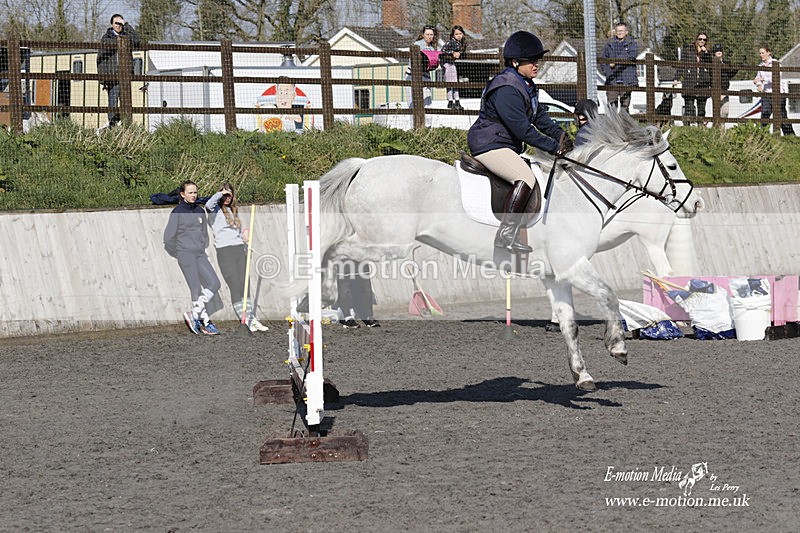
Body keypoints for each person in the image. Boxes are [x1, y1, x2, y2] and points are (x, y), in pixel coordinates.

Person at [467, 31, 569, 254]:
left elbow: (539, 117)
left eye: (537, 60)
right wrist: (553, 147)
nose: (536, 64)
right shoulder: (506, 88)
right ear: (515, 62)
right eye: (531, 60)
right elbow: (523, 130)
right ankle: (505, 235)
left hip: (502, 144)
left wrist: (561, 136)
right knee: (524, 176)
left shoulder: (526, 85)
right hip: (489, 144)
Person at [205, 183, 269, 333]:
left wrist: (244, 237)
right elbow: (208, 204)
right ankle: (246, 320)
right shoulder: (214, 210)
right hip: (225, 251)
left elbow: (237, 233)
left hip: (239, 249)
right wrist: (221, 193)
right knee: (235, 286)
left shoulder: (233, 211)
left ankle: (252, 318)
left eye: (229, 195)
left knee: (245, 285)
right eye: (224, 195)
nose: (227, 198)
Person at [163, 180, 222, 335]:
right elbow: (168, 238)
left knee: (214, 283)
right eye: (190, 192)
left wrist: (201, 245)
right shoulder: (177, 212)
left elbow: (203, 233)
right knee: (195, 287)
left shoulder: (200, 211)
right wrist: (179, 253)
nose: (194, 195)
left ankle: (194, 314)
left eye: (195, 192)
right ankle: (205, 323)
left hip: (199, 253)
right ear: (182, 194)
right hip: (185, 254)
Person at [97, 14, 141, 128]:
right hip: (113, 76)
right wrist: (103, 78)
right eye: (116, 23)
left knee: (126, 102)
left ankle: (126, 125)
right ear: (112, 24)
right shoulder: (106, 38)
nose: (119, 25)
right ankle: (112, 125)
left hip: (125, 76)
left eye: (120, 23)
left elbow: (137, 41)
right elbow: (100, 59)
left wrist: (127, 25)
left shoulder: (127, 37)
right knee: (113, 102)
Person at [754, 46, 795, 136]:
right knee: (765, 114)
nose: (761, 55)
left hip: (778, 94)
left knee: (781, 116)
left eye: (763, 53)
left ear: (769, 53)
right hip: (766, 94)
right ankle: (763, 135)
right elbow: (757, 78)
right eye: (760, 53)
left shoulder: (776, 63)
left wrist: (762, 79)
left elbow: (775, 78)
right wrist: (759, 84)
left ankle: (790, 136)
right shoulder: (760, 66)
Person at [601, 22, 638, 113]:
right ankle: (612, 127)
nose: (620, 33)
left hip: (627, 81)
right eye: (618, 31)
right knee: (611, 106)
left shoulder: (632, 44)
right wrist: (607, 72)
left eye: (622, 31)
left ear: (626, 32)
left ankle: (624, 127)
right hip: (612, 81)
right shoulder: (609, 44)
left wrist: (615, 61)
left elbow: (631, 55)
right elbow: (603, 60)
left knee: (624, 107)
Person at [678, 33, 712, 122]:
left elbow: (711, 63)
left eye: (704, 40)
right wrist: (676, 78)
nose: (702, 41)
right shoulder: (688, 50)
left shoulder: (708, 52)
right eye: (700, 39)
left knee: (701, 109)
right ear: (696, 39)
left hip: (703, 83)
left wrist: (706, 52)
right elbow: (682, 64)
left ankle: (700, 127)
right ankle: (688, 128)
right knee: (689, 107)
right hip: (690, 82)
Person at [336, 263, 380, 329]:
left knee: (366, 288)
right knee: (344, 288)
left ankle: (369, 317)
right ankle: (347, 318)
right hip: (344, 261)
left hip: (360, 260)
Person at [405, 25, 439, 108]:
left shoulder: (432, 48)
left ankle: (427, 121)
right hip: (412, 76)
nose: (429, 36)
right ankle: (413, 121)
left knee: (427, 103)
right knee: (413, 103)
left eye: (431, 34)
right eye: (427, 34)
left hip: (425, 76)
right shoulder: (417, 45)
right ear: (423, 35)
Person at [440, 25, 467, 110]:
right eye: (456, 34)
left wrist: (459, 53)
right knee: (450, 82)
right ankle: (450, 101)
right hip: (447, 63)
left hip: (452, 63)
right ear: (453, 35)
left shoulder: (462, 43)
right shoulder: (451, 42)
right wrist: (452, 53)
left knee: (454, 81)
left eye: (460, 33)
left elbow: (462, 52)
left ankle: (457, 101)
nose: (458, 35)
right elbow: (442, 51)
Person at [711, 44, 737, 119]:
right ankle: (717, 128)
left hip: (725, 89)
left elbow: (730, 74)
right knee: (716, 112)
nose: (719, 52)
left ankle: (722, 127)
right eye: (716, 51)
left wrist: (736, 69)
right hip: (715, 90)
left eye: (720, 50)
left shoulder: (726, 63)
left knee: (725, 111)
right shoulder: (711, 63)